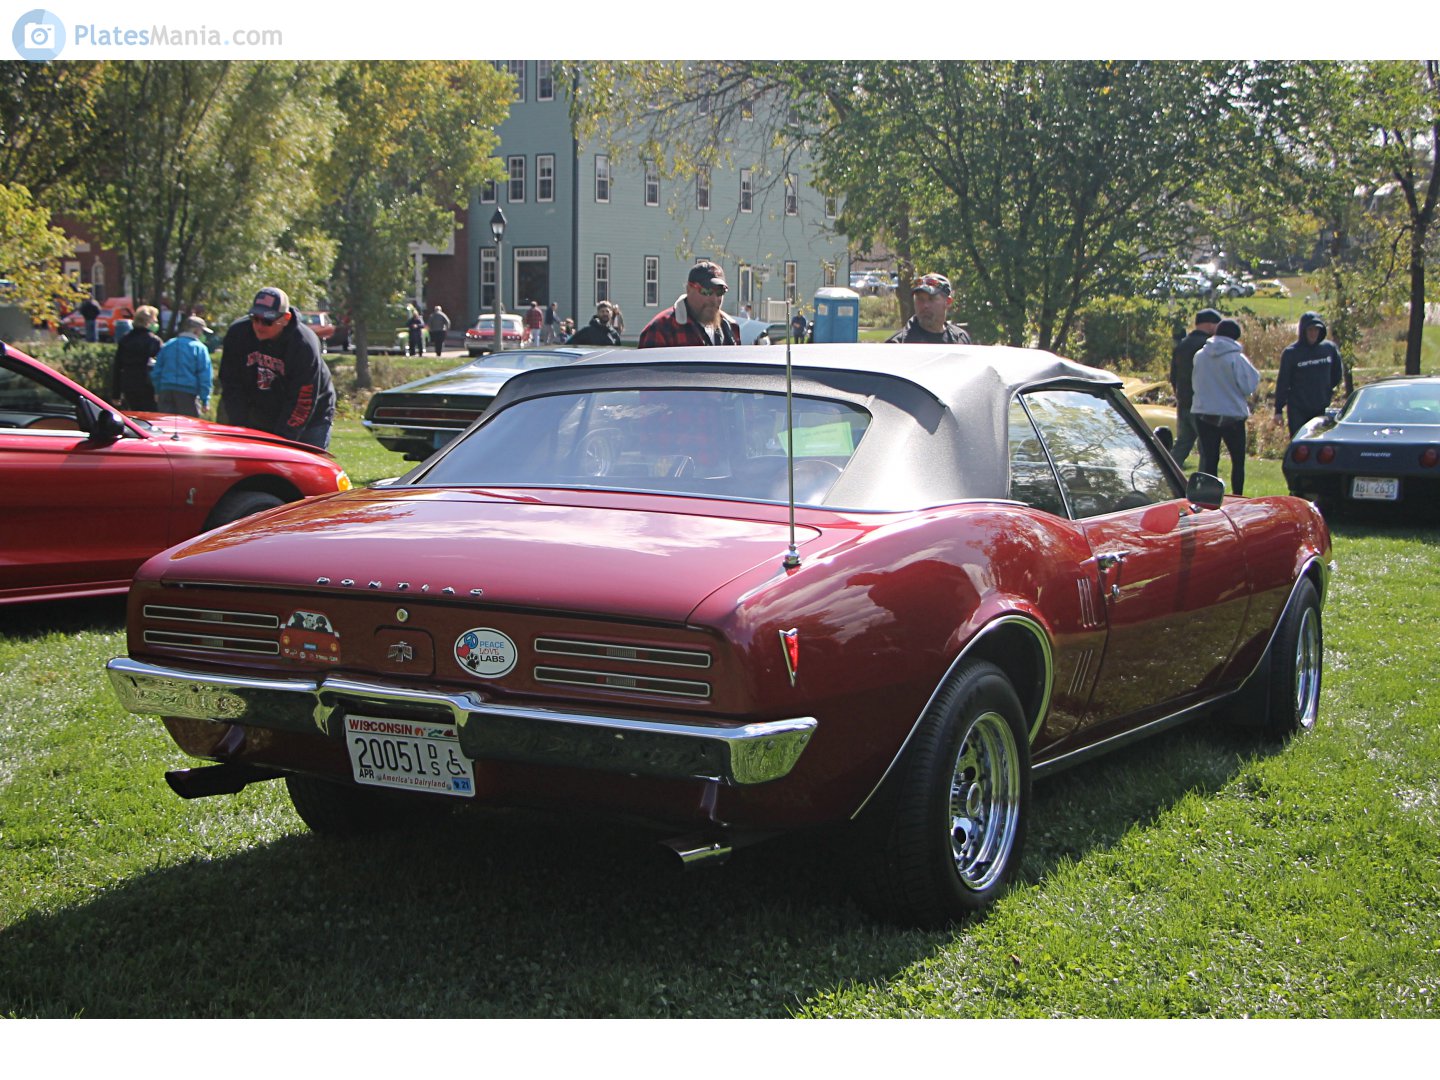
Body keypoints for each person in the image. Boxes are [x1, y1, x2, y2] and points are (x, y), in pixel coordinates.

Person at [219, 286, 336, 449]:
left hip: (311, 415)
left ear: (285, 318)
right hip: (261, 408)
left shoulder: (303, 345)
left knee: (300, 466)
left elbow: (303, 401)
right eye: (255, 318)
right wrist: (240, 428)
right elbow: (231, 385)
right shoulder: (238, 334)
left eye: (267, 320)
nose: (259, 326)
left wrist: (281, 442)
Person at [1191, 317, 1259, 497]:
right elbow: (1249, 385)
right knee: (1237, 461)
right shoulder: (1236, 358)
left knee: (1210, 460)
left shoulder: (1200, 356)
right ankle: (1237, 495)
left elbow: (1196, 383)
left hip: (1204, 413)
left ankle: (1208, 497)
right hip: (1232, 415)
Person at [638, 261, 742, 347]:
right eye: (706, 291)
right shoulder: (662, 329)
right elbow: (647, 372)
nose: (714, 300)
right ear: (689, 289)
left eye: (720, 292)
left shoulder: (731, 328)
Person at [1275, 311, 1345, 436]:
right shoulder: (1291, 353)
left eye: (1316, 330)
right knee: (1299, 443)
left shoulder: (1329, 349)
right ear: (1303, 331)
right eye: (1310, 330)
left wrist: (1326, 389)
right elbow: (1283, 382)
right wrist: (1278, 410)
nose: (1313, 333)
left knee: (1319, 444)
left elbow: (1337, 374)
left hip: (1321, 407)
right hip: (1298, 408)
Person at [1168, 307, 1221, 469]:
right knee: (1207, 447)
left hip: (1183, 400)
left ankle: (1165, 472)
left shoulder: (1182, 345)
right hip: (1203, 404)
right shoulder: (1208, 346)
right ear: (1210, 325)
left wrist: (1179, 393)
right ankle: (1205, 480)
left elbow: (1173, 375)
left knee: (1182, 443)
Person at [150, 315, 214, 417]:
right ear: (196, 330)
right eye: (202, 331)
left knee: (166, 425)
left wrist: (157, 390)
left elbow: (157, 370)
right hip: (188, 393)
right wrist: (205, 399)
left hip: (166, 390)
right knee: (189, 427)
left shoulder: (169, 344)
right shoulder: (200, 348)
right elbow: (204, 375)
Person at [887, 273, 971, 344]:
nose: (925, 305)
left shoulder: (960, 339)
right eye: (920, 299)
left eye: (931, 299)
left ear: (948, 302)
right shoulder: (898, 344)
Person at [109, 304, 163, 411]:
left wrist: (116, 393)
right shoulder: (154, 341)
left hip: (129, 384)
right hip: (148, 385)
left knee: (135, 414)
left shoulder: (125, 339)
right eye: (154, 321)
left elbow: (117, 366)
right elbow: (162, 364)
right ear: (148, 322)